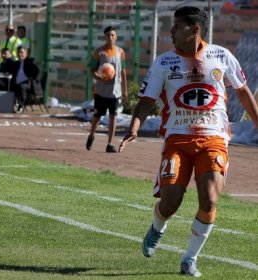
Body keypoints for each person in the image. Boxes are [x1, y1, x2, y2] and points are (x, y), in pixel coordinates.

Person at [118, 6, 258, 277]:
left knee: (209, 199)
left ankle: (189, 259)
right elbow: (147, 99)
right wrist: (134, 127)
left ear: (195, 29)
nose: (171, 32)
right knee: (171, 201)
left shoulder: (221, 56)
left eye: (177, 27)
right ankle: (157, 227)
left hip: (214, 139)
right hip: (177, 140)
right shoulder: (164, 62)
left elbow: (242, 92)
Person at [85, 25, 128, 153]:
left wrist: (125, 89)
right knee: (97, 115)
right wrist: (99, 76)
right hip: (101, 91)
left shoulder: (120, 52)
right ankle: (91, 134)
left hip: (115, 91)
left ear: (116, 37)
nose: (110, 37)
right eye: (108, 35)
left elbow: (123, 71)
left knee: (113, 116)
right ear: (105, 37)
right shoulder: (99, 52)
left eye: (112, 35)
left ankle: (110, 143)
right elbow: (92, 70)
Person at [10, 45, 42, 112]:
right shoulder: (16, 63)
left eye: (21, 52)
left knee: (22, 86)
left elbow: (38, 71)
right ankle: (9, 105)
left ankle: (21, 106)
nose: (20, 54)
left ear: (26, 53)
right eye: (18, 52)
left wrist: (33, 80)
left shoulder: (31, 61)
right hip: (16, 84)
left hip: (28, 84)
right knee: (6, 86)